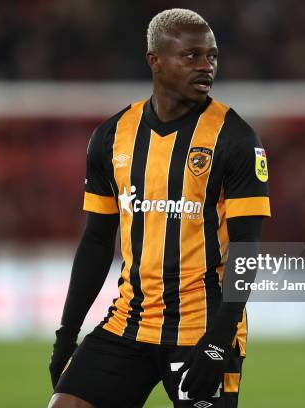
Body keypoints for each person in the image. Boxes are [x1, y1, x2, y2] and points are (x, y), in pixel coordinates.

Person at [48, 8, 270, 408]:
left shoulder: (235, 138)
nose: (207, 66)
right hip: (129, 324)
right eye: (192, 56)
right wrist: (68, 333)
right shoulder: (111, 137)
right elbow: (97, 241)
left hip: (202, 330)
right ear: (155, 60)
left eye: (213, 56)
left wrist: (219, 345)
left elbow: (246, 250)